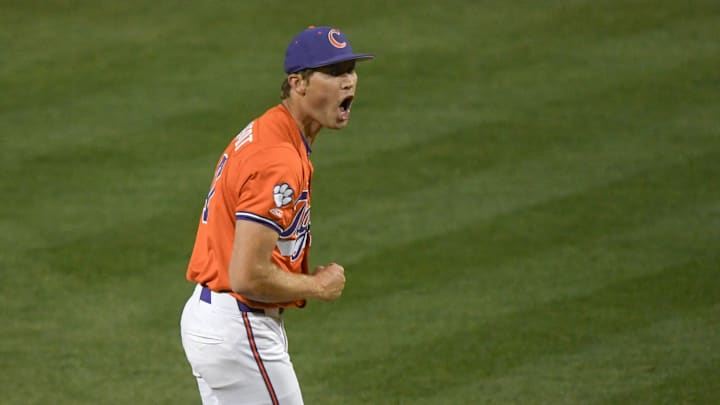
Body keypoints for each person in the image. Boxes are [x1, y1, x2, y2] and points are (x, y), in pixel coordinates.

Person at [180, 26, 374, 405]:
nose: (348, 82)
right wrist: (317, 287)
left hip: (219, 320)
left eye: (350, 70)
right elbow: (247, 275)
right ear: (298, 83)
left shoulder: (273, 131)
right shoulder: (277, 158)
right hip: (238, 326)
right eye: (334, 73)